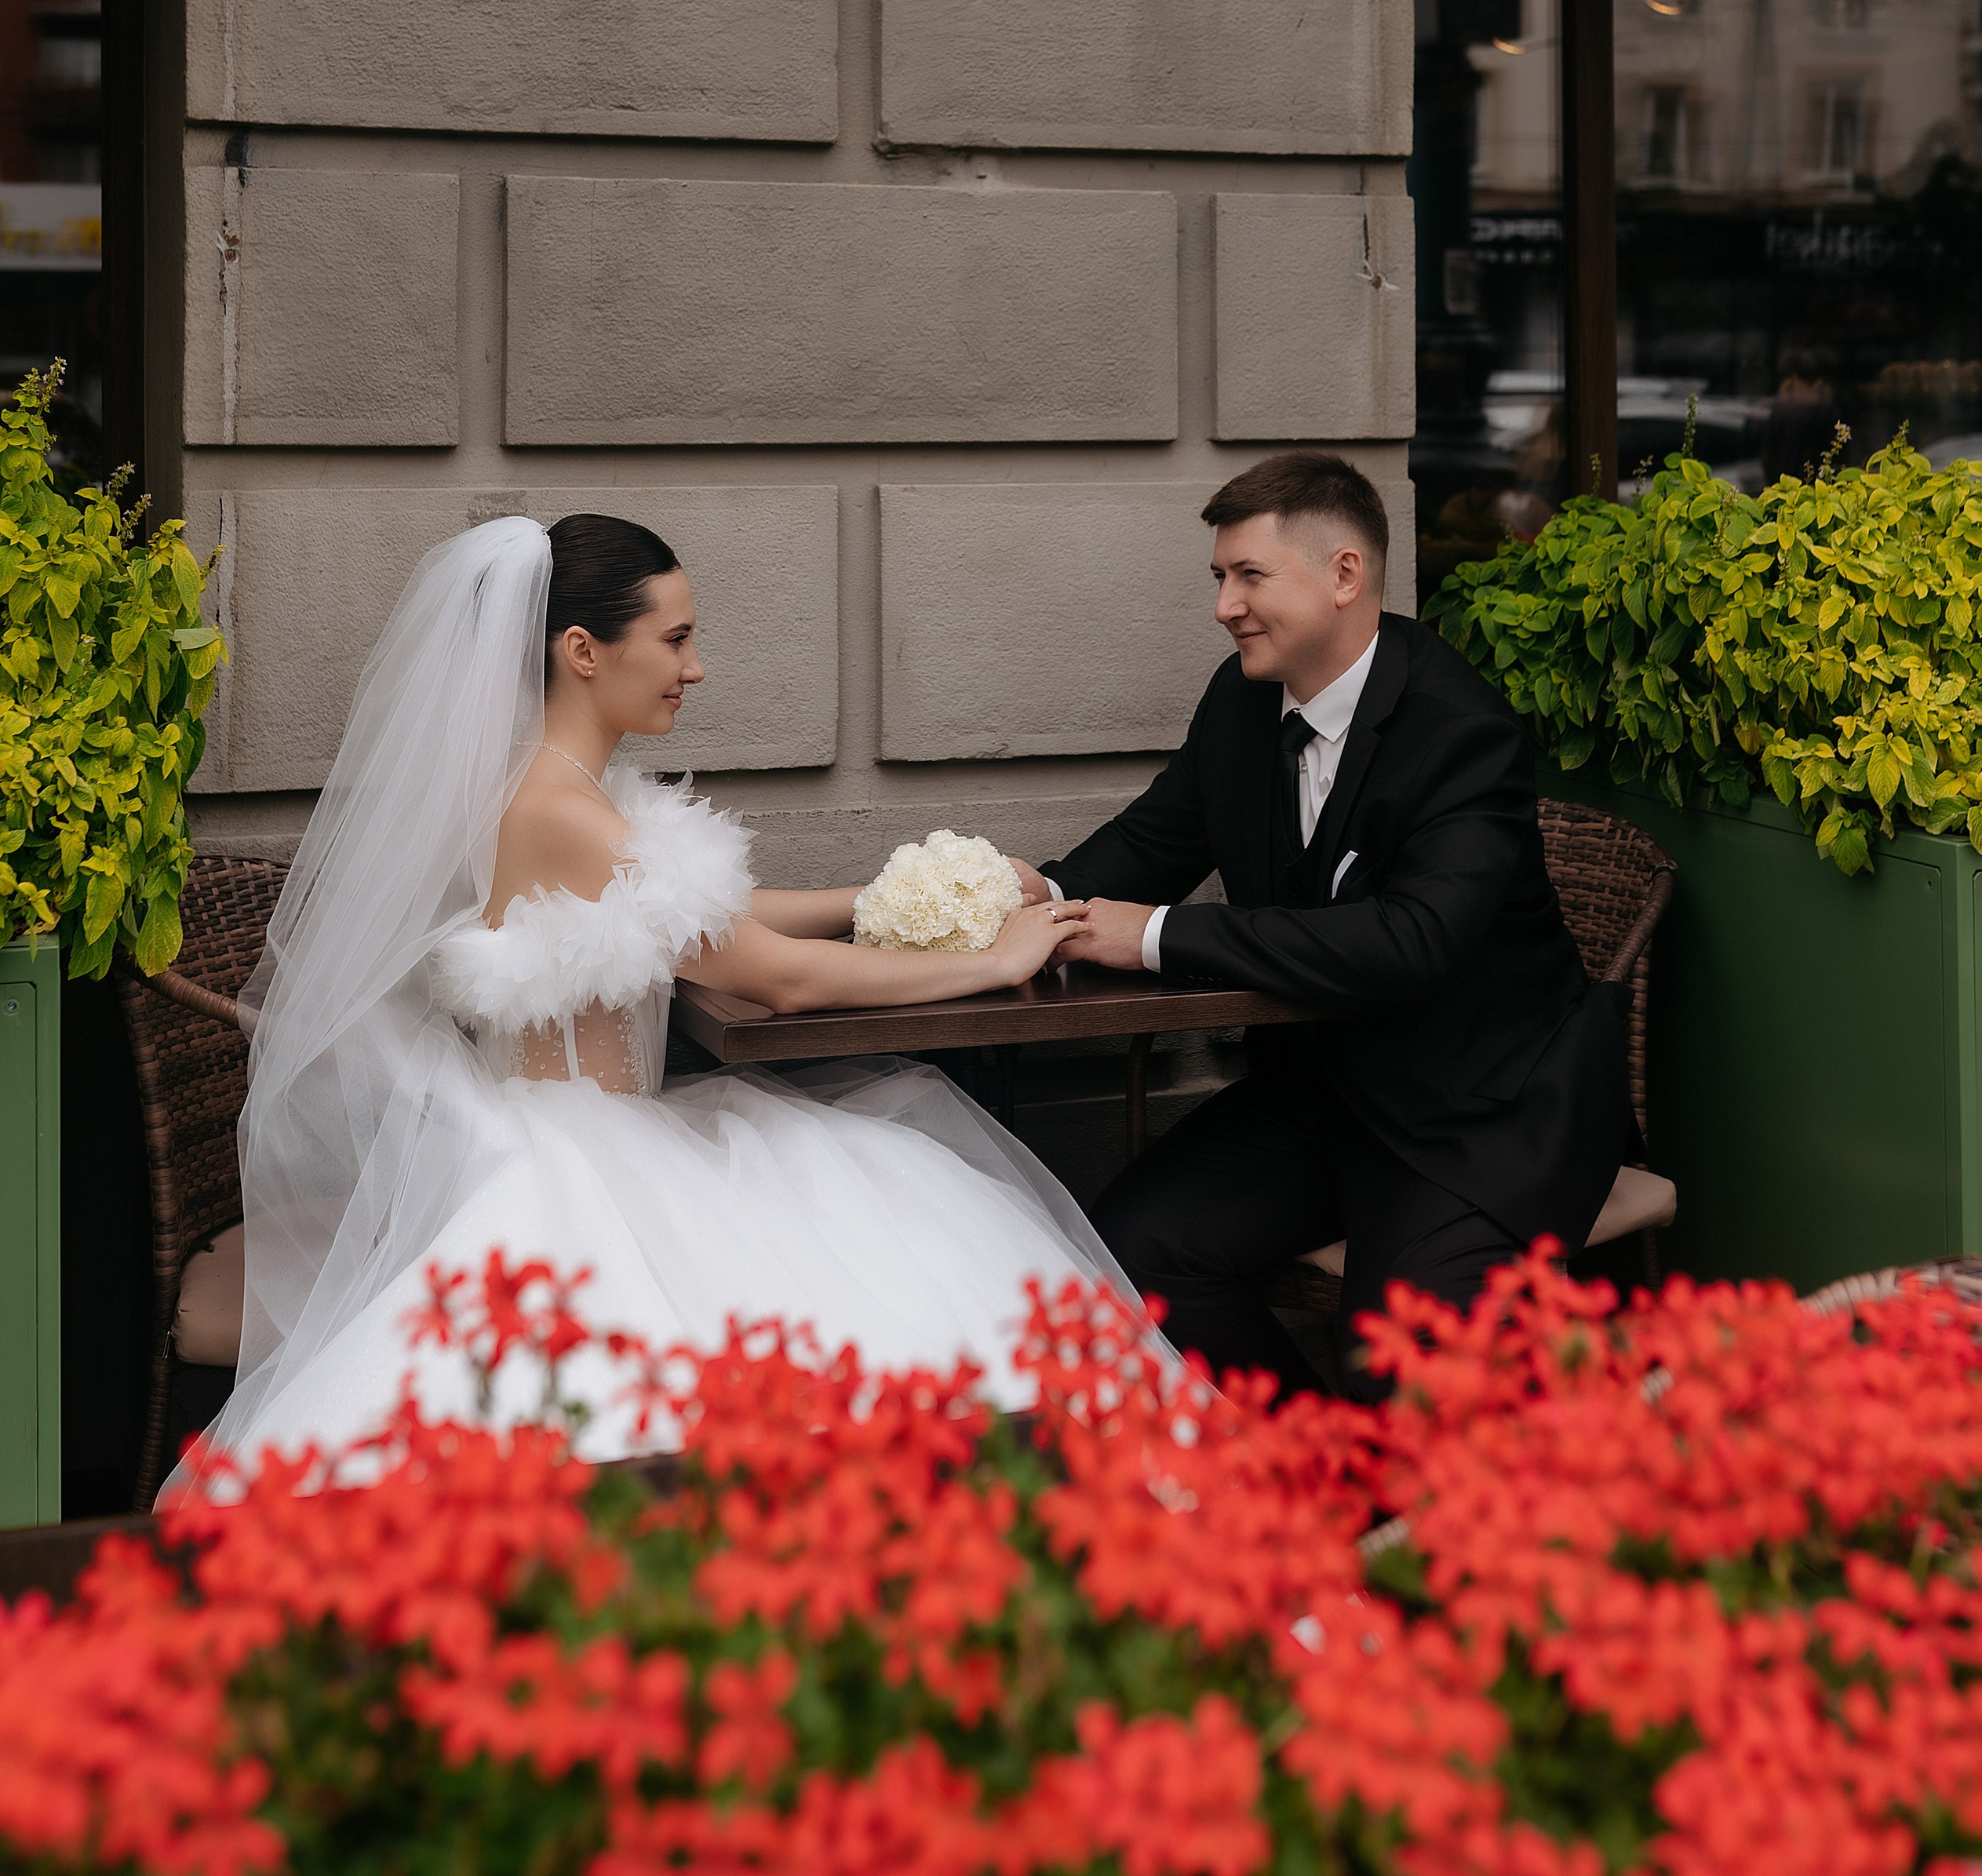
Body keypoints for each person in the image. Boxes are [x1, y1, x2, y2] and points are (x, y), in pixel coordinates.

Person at [195, 512, 1136, 1484]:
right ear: (583, 651)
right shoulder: (566, 814)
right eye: (676, 639)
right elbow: (778, 976)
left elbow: (718, 915)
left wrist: (897, 893)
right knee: (887, 1235)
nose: (696, 668)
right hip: (582, 1157)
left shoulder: (560, 788)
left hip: (599, 1128)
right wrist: (992, 964)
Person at [1022, 450, 1629, 1400]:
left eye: (1248, 575)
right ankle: (1305, 1475)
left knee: (1400, 1354)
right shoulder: (1241, 698)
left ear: (1344, 575)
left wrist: (1150, 937)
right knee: (1135, 1250)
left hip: (1477, 1108)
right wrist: (1038, 893)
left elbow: (1411, 942)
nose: (1224, 605)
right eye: (1219, 577)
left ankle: (1381, 1490)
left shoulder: (1460, 729)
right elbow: (1154, 839)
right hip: (1326, 1089)